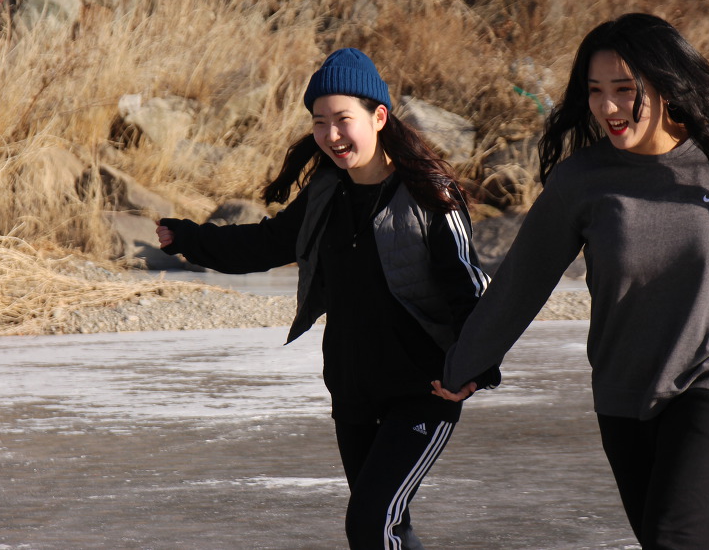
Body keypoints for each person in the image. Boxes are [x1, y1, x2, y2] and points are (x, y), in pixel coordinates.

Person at [432, 13, 709, 549]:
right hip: (624, 392)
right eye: (596, 91)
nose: (608, 107)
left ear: (666, 84)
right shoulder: (582, 181)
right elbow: (520, 285)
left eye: (624, 89)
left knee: (675, 539)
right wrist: (464, 365)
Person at [157, 47, 496, 549]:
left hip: (423, 392)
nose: (331, 135)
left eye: (342, 119)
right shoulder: (326, 192)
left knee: (372, 522)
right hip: (353, 389)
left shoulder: (431, 195)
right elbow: (266, 244)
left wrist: (475, 368)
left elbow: (468, 286)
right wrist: (191, 239)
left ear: (378, 117)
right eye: (320, 122)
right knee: (386, 526)